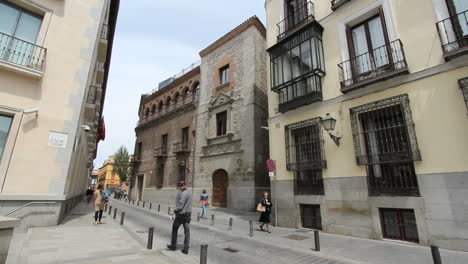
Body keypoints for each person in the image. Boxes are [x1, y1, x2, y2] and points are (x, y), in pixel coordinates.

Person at [167, 180, 192, 254]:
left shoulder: (183, 194)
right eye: (179, 186)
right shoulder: (189, 192)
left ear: (184, 185)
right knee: (187, 232)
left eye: (181, 186)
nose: (180, 187)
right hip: (188, 214)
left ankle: (173, 245)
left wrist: (174, 211)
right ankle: (186, 248)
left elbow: (181, 205)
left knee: (174, 229)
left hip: (181, 215)